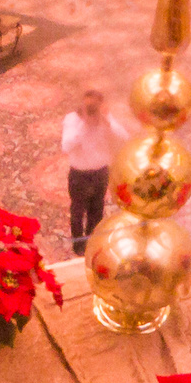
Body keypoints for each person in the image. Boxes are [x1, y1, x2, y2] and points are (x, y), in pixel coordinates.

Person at [62, 84, 129, 255]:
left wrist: (107, 122)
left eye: (95, 107)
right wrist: (85, 124)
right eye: (89, 107)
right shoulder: (72, 120)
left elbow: (124, 137)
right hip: (79, 174)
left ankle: (91, 241)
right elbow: (66, 146)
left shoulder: (105, 119)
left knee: (97, 209)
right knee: (77, 211)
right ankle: (78, 246)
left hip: (100, 172)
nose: (92, 111)